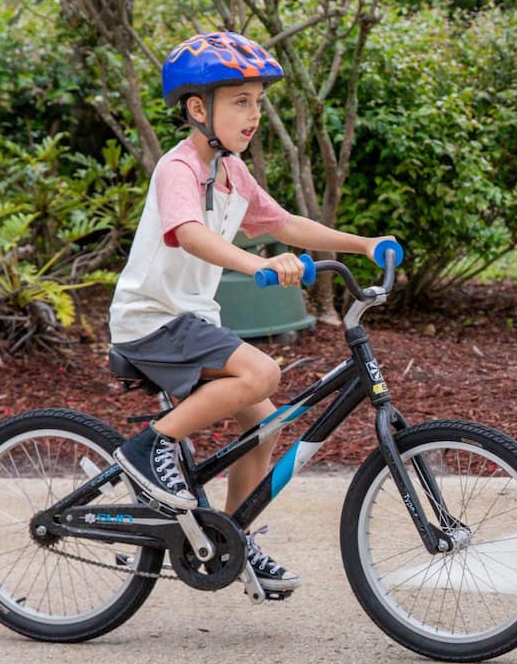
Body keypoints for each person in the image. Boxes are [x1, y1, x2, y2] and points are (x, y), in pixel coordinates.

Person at [108, 31, 393, 595]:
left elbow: (283, 223)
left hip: (191, 321)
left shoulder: (231, 171)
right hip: (152, 320)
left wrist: (361, 244)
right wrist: (257, 263)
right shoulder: (179, 168)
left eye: (258, 102)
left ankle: (231, 539)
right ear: (198, 109)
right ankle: (150, 447)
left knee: (264, 427)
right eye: (241, 101)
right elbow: (189, 233)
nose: (255, 114)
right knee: (262, 372)